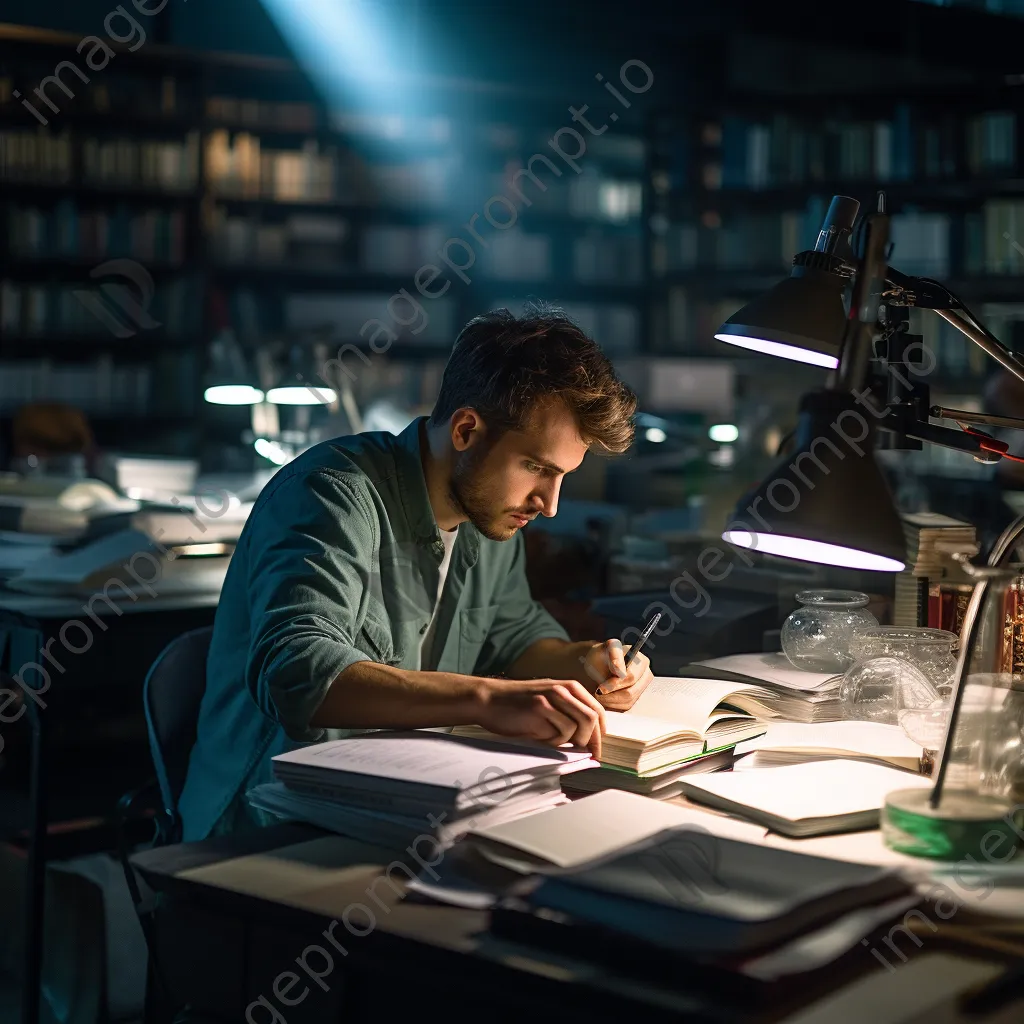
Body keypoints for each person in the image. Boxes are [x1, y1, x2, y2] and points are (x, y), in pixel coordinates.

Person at [179, 306, 651, 840]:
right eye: (538, 468)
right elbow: (298, 672)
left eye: (562, 476)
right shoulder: (331, 494)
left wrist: (585, 663)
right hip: (264, 836)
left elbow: (513, 637)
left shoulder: (490, 515)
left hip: (401, 817)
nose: (550, 505)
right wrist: (487, 699)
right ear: (467, 430)